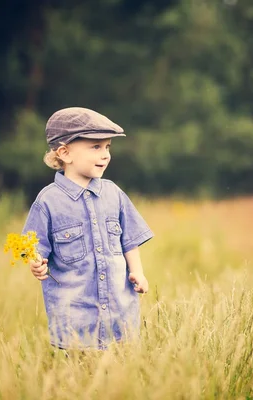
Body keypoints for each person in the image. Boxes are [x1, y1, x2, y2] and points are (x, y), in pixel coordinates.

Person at [22, 107, 154, 350]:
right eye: (96, 147)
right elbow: (28, 246)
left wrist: (138, 272)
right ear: (65, 153)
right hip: (76, 319)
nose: (105, 155)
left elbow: (130, 240)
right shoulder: (48, 200)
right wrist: (34, 262)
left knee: (119, 376)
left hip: (119, 314)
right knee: (81, 379)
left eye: (107, 147)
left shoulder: (113, 193)